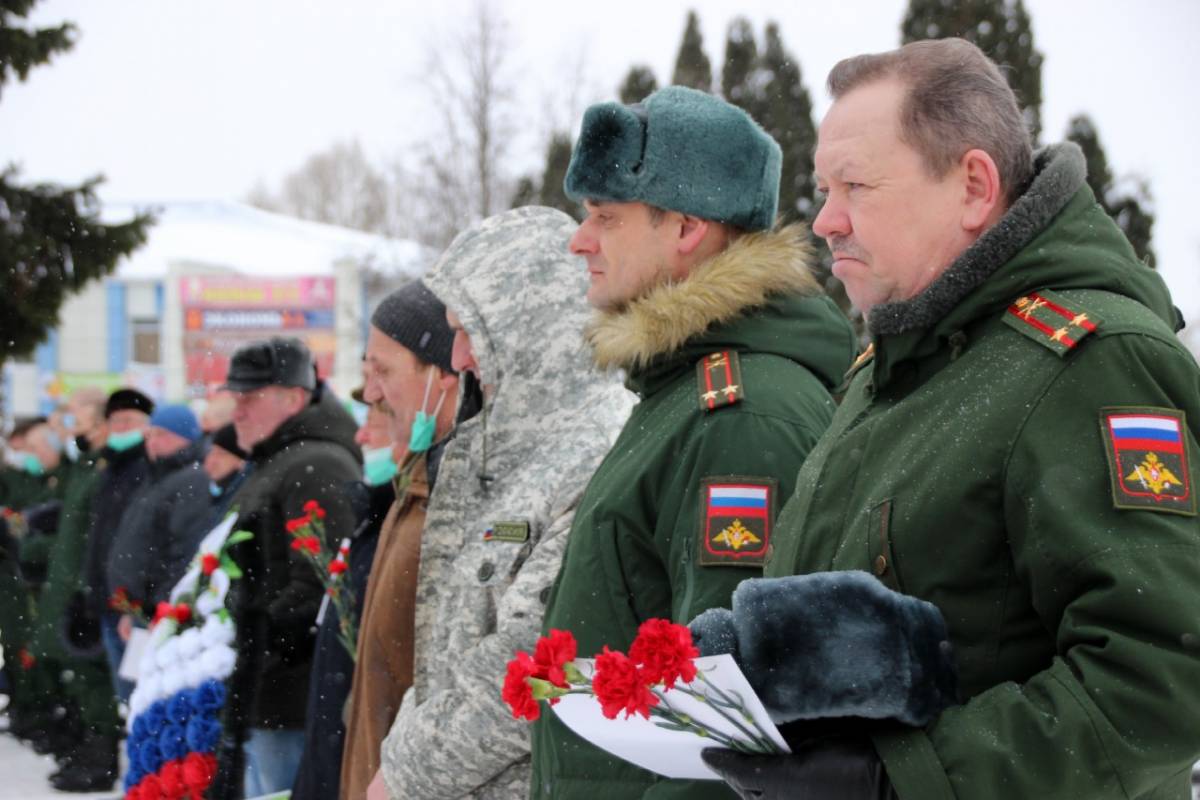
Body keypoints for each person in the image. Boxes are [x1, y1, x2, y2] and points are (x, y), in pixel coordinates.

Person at [702, 38, 1200, 800]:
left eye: (855, 186)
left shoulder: (1089, 360)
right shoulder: (894, 371)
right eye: (822, 188)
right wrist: (738, 658)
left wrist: (899, 783)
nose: (826, 221)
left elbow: (1166, 673)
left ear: (972, 186)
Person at [528, 86, 857, 798]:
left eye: (605, 217)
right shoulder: (682, 395)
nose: (579, 239)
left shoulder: (740, 419)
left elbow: (723, 729)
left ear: (685, 229)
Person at [373, 207, 633, 799]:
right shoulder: (502, 452)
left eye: (469, 330)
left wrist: (405, 772)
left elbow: (533, 661)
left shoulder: (595, 451)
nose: (458, 357)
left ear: (527, 325)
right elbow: (450, 644)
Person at [207, 336, 362, 800]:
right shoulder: (280, 461)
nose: (237, 411)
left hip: (291, 699)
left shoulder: (316, 464)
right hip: (267, 693)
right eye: (235, 398)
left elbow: (323, 584)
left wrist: (259, 643)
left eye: (249, 398)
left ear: (293, 397)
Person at [340, 280, 460, 800]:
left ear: (443, 378)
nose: (369, 394)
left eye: (382, 371)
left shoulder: (455, 498)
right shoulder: (413, 487)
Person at [292, 393, 393, 800]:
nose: (362, 434)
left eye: (377, 420)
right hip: (335, 742)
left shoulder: (400, 517)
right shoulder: (374, 514)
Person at [34, 387, 124, 793]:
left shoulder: (104, 469)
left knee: (94, 678)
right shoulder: (86, 467)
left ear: (102, 424)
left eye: (78, 418)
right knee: (80, 676)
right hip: (69, 583)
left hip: (84, 587)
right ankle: (88, 749)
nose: (70, 427)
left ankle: (100, 757)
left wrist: (87, 588)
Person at [79, 387, 154, 704]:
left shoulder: (148, 468)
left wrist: (134, 597)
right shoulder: (110, 469)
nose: (121, 428)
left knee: (139, 695)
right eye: (116, 421)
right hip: (109, 598)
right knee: (126, 695)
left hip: (133, 602)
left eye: (129, 420)